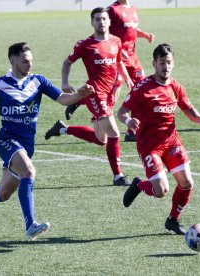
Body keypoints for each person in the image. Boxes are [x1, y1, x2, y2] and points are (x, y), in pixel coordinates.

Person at [0, 42, 94, 240]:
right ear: (13, 61)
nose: (29, 65)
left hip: (27, 146)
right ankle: (30, 225)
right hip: (7, 140)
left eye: (31, 61)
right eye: (24, 61)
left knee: (2, 194)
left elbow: (63, 99)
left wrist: (78, 95)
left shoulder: (38, 81)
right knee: (29, 171)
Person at [117, 44, 200, 235]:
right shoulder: (143, 88)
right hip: (149, 146)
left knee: (187, 183)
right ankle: (139, 185)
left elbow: (188, 109)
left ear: (173, 64)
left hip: (171, 142)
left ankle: (173, 220)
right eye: (162, 63)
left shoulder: (175, 87)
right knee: (161, 190)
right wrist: (129, 121)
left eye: (169, 62)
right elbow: (121, 111)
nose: (166, 67)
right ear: (154, 64)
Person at [44, 7, 133, 186]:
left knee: (102, 139)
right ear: (92, 22)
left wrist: (128, 79)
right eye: (97, 19)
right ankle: (118, 176)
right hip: (95, 93)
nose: (101, 22)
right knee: (114, 133)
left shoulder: (116, 41)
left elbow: (118, 62)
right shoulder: (85, 44)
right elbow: (67, 62)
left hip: (109, 94)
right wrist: (64, 82)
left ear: (109, 22)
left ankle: (63, 129)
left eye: (104, 19)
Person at [65, 0, 154, 142]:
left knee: (141, 91)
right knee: (112, 97)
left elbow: (131, 30)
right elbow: (104, 31)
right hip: (113, 56)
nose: (101, 21)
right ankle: (98, 110)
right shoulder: (112, 9)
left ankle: (131, 129)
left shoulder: (133, 9)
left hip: (132, 58)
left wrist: (145, 35)